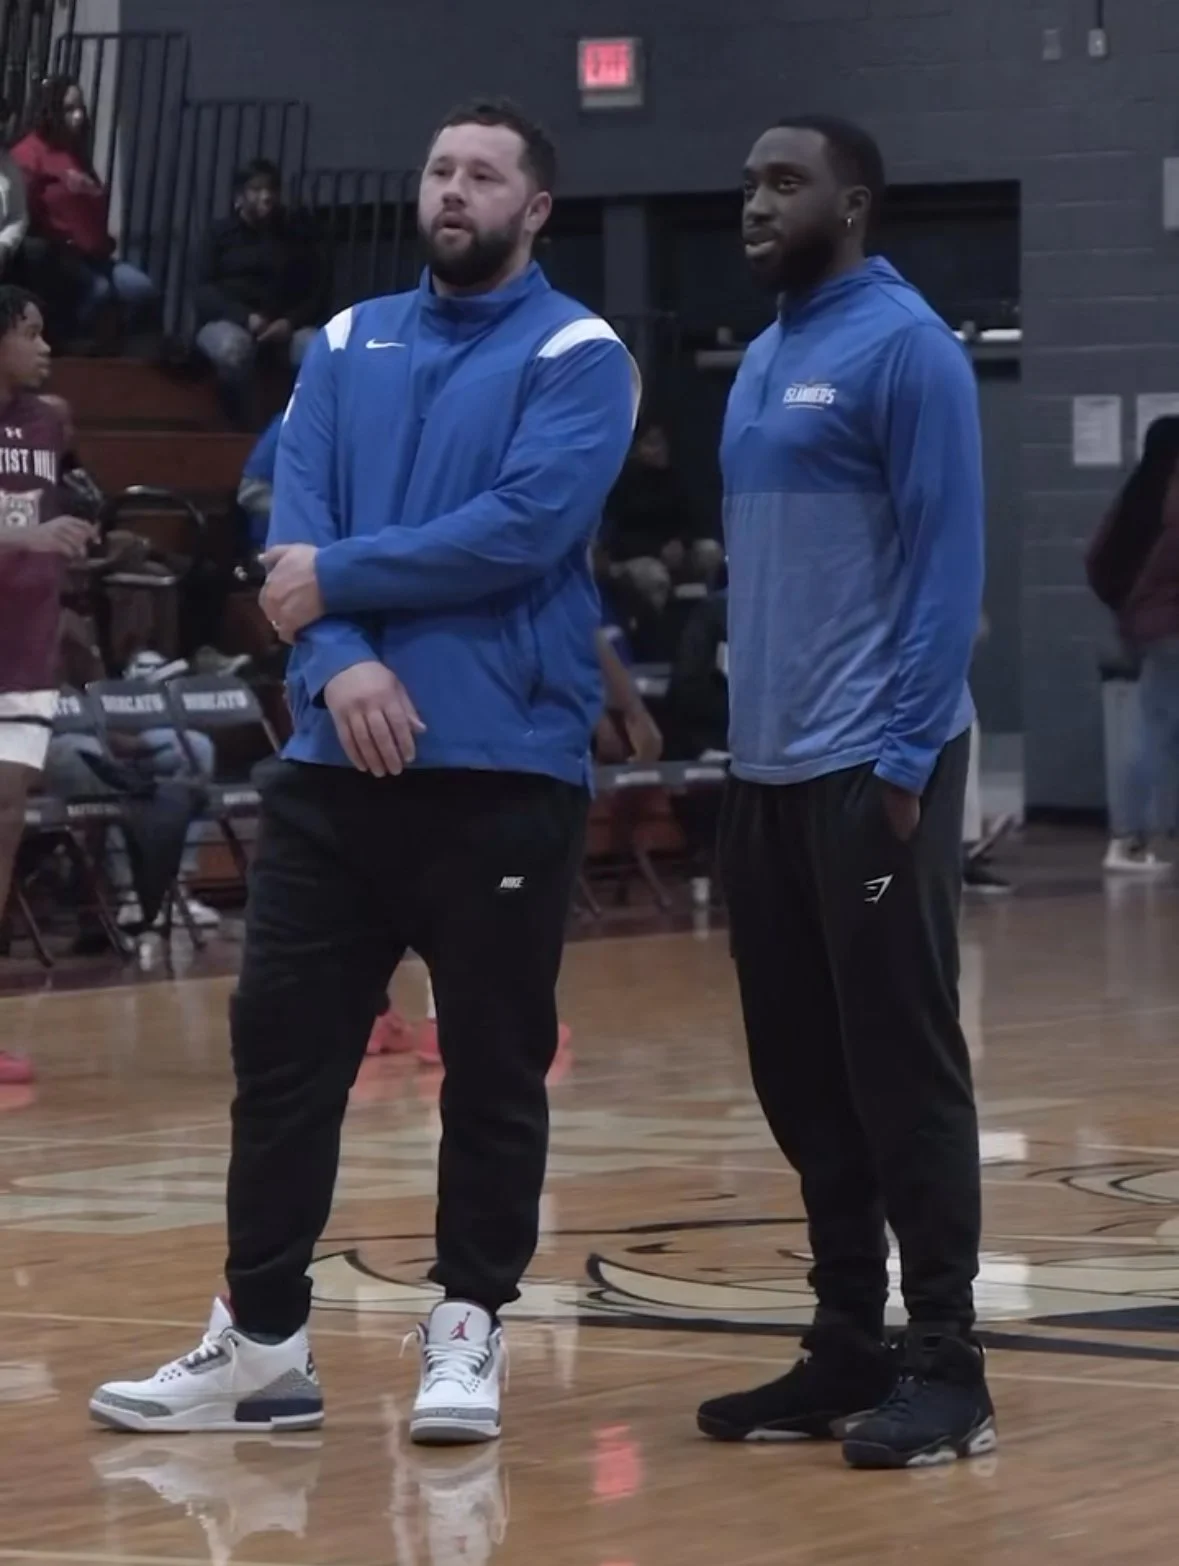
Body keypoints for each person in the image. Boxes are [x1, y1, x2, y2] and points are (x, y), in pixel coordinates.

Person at [91, 98, 638, 1443]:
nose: (454, 189)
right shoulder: (341, 341)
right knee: (279, 1061)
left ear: (534, 208)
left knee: (492, 1066)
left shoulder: (579, 352)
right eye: (439, 167)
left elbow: (520, 529)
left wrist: (334, 580)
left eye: (484, 175)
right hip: (336, 763)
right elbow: (291, 516)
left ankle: (466, 1328)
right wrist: (334, 655)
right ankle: (262, 1343)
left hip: (501, 767)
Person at [695, 116, 993, 1470]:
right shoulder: (756, 359)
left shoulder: (906, 349)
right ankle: (845, 1340)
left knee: (899, 1068)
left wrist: (900, 764)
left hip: (873, 767)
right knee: (800, 1075)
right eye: (748, 182)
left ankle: (945, 1362)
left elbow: (945, 572)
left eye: (782, 182)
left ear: (852, 202)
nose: (753, 203)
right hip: (762, 777)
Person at [0, 285, 96, 1070]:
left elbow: (56, 505)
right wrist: (30, 534)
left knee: (5, 821)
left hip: (26, 649)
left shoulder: (51, 421)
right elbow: (24, 526)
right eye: (31, 332)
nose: (44, 346)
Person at [1087, 415, 1179, 873]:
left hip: (1145, 631)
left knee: (1159, 730)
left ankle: (1137, 836)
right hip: (1172, 633)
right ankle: (1128, 840)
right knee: (1151, 731)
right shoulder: (1176, 497)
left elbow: (1097, 558)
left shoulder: (1137, 492)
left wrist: (1127, 607)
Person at [12, 78, 156, 344]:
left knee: (141, 289)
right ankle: (72, 348)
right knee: (97, 292)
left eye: (80, 108)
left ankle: (115, 347)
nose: (78, 116)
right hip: (59, 255)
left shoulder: (76, 154)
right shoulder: (30, 154)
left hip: (95, 255)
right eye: (68, 109)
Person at [195, 160, 327, 426]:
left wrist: (289, 322)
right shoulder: (219, 235)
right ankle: (237, 426)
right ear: (239, 197)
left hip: (287, 327)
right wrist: (246, 318)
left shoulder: (295, 235)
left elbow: (318, 290)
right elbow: (202, 290)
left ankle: (303, 425)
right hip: (231, 323)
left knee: (318, 349)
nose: (266, 197)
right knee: (233, 349)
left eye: (271, 189)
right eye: (256, 190)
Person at [603, 422, 723, 613]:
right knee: (655, 577)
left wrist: (681, 542)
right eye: (652, 444)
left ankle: (705, 621)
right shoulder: (622, 485)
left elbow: (693, 520)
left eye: (662, 443)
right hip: (637, 556)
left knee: (711, 551)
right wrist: (658, 550)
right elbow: (617, 538)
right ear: (636, 450)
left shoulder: (674, 478)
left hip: (675, 552)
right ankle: (658, 636)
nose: (660, 450)